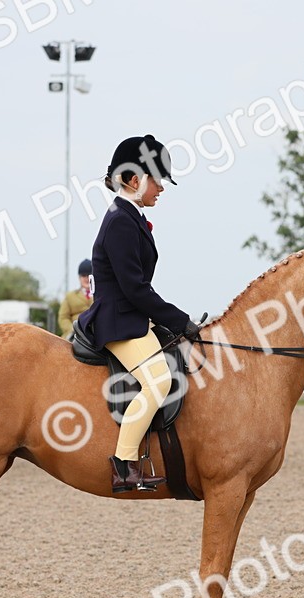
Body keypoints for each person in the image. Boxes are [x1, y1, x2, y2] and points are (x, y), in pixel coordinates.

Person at [77, 134, 200, 493]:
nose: (161, 187)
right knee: (159, 380)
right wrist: (179, 320)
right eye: (157, 180)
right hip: (117, 322)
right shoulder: (119, 221)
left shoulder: (130, 217)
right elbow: (134, 289)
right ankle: (123, 463)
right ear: (134, 180)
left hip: (132, 318)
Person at [58, 259, 95, 340]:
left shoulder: (100, 295)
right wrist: (72, 329)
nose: (86, 278)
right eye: (83, 275)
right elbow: (63, 317)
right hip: (74, 334)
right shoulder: (70, 296)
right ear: (79, 277)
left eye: (89, 275)